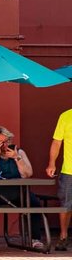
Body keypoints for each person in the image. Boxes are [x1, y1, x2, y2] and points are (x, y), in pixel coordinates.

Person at [0, 125, 36, 250]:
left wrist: (17, 158)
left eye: (7, 141)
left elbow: (28, 174)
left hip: (17, 191)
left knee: (34, 203)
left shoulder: (19, 152)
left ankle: (35, 239)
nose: (5, 145)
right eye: (1, 142)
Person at [47, 108, 72, 251]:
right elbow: (57, 142)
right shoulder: (66, 116)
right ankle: (63, 235)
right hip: (69, 170)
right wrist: (52, 163)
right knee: (65, 203)